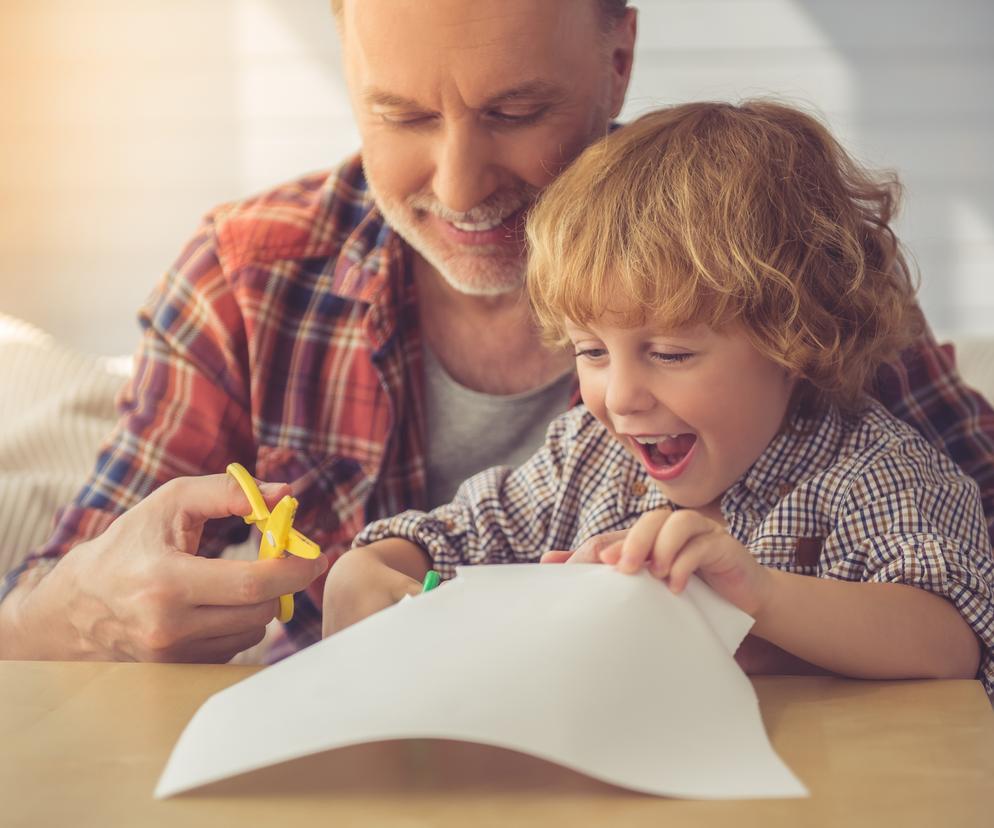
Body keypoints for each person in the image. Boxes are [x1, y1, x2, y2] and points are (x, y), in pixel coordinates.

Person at [1, 1, 992, 665]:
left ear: (617, 58)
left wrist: (774, 608)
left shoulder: (769, 246)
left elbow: (967, 586)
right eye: (399, 115)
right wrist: (354, 576)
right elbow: (41, 609)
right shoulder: (250, 279)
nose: (461, 186)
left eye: (516, 110)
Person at [325, 102, 994, 690]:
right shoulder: (584, 461)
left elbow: (949, 642)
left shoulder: (875, 474)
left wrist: (757, 593)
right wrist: (374, 567)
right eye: (590, 352)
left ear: (795, 340)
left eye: (671, 353)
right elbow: (453, 538)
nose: (619, 398)